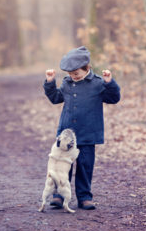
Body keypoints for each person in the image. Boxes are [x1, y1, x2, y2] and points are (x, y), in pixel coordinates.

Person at [43, 46, 120, 210]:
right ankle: (59, 196)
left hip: (88, 133)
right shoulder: (66, 83)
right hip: (66, 135)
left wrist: (110, 83)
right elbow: (56, 98)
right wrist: (50, 83)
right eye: (70, 74)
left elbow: (113, 98)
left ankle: (84, 197)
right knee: (62, 165)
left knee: (85, 166)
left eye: (76, 73)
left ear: (87, 68)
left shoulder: (98, 83)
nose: (73, 76)